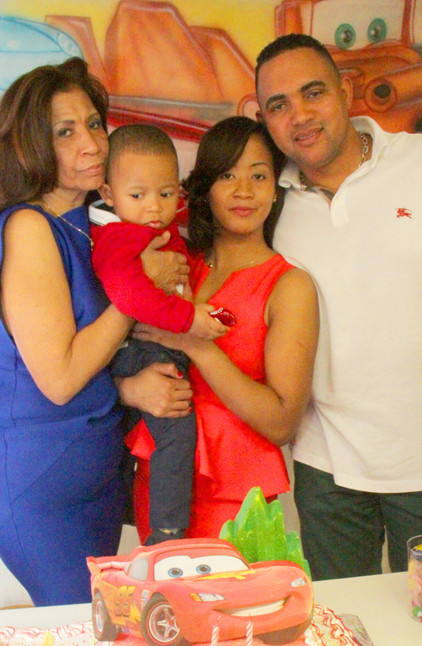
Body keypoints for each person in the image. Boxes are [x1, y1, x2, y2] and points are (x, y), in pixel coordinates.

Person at [254, 34, 422, 579]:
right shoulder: (265, 201)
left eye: (313, 93)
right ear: (264, 119)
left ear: (345, 90)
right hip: (324, 468)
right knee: (342, 619)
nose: (299, 116)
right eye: (278, 105)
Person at [0, 58, 190, 606]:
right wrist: (140, 288)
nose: (91, 144)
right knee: (79, 635)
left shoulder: (88, 226)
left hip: (94, 480)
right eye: (65, 132)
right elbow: (61, 378)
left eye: (94, 124)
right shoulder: (29, 227)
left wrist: (128, 388)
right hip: (42, 486)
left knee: (103, 635)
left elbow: (93, 360)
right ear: (28, 147)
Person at [133, 116, 319, 539]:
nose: (244, 191)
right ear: (205, 188)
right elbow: (128, 349)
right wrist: (130, 389)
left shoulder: (289, 285)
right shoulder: (177, 264)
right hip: (159, 482)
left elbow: (281, 422)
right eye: (227, 175)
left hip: (236, 495)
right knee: (159, 583)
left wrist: (196, 346)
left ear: (276, 189)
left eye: (259, 175)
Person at [89, 124, 228, 544]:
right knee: (176, 432)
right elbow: (129, 296)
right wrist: (189, 319)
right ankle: (166, 533)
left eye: (166, 194)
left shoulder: (152, 231)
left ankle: (138, 513)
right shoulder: (118, 236)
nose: (154, 206)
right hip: (138, 350)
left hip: (153, 346)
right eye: (138, 195)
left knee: (137, 437)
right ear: (108, 193)